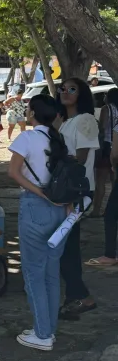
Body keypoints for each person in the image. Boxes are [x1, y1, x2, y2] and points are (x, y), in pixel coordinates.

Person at [7, 95, 71, 351]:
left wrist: (38, 192)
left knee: (33, 273)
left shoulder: (27, 138)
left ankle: (42, 334)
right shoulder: (57, 138)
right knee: (51, 273)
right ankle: (48, 329)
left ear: (32, 113)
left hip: (36, 205)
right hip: (60, 208)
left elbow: (13, 172)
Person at [56, 78, 100, 320]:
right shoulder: (65, 122)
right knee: (66, 246)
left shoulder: (85, 120)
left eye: (72, 89)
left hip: (79, 191)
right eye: (62, 88)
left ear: (81, 94)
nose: (65, 91)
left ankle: (81, 296)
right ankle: (75, 296)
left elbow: (81, 158)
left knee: (66, 246)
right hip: (67, 191)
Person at [92, 87, 118, 219]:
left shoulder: (106, 109)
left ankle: (96, 210)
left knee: (100, 180)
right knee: (115, 181)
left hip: (106, 146)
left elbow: (102, 128)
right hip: (116, 146)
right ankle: (113, 209)